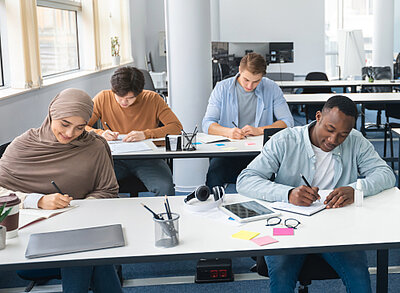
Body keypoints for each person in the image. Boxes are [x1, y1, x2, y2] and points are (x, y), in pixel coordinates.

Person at [237, 95, 396, 293]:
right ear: (318, 116)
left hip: (339, 226)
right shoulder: (285, 140)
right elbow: (246, 179)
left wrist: (356, 189)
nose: (333, 140)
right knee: (282, 276)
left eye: (342, 134)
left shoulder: (355, 140)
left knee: (359, 276)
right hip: (289, 227)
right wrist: (287, 193)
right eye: (330, 130)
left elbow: (385, 174)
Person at [0, 88, 122, 293]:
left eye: (80, 128)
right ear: (51, 114)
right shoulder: (23, 145)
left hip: (81, 232)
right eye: (64, 124)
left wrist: (79, 208)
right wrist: (36, 200)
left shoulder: (94, 147)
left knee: (82, 253)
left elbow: (108, 191)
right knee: (89, 257)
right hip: (31, 243)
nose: (69, 134)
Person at [202, 52, 294, 189]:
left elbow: (287, 122)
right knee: (214, 174)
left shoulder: (272, 88)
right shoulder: (222, 88)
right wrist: (228, 132)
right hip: (228, 151)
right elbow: (207, 123)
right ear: (240, 70)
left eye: (256, 81)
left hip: (260, 151)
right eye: (246, 79)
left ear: (262, 77)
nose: (250, 86)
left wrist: (259, 130)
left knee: (272, 178)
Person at [86, 66, 182, 196]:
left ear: (139, 93)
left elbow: (176, 127)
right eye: (119, 97)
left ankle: (163, 215)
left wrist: (146, 134)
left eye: (129, 98)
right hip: (114, 159)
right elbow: (81, 126)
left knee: (165, 186)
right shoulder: (103, 98)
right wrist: (100, 133)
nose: (124, 102)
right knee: (90, 183)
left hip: (147, 159)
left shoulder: (152, 99)